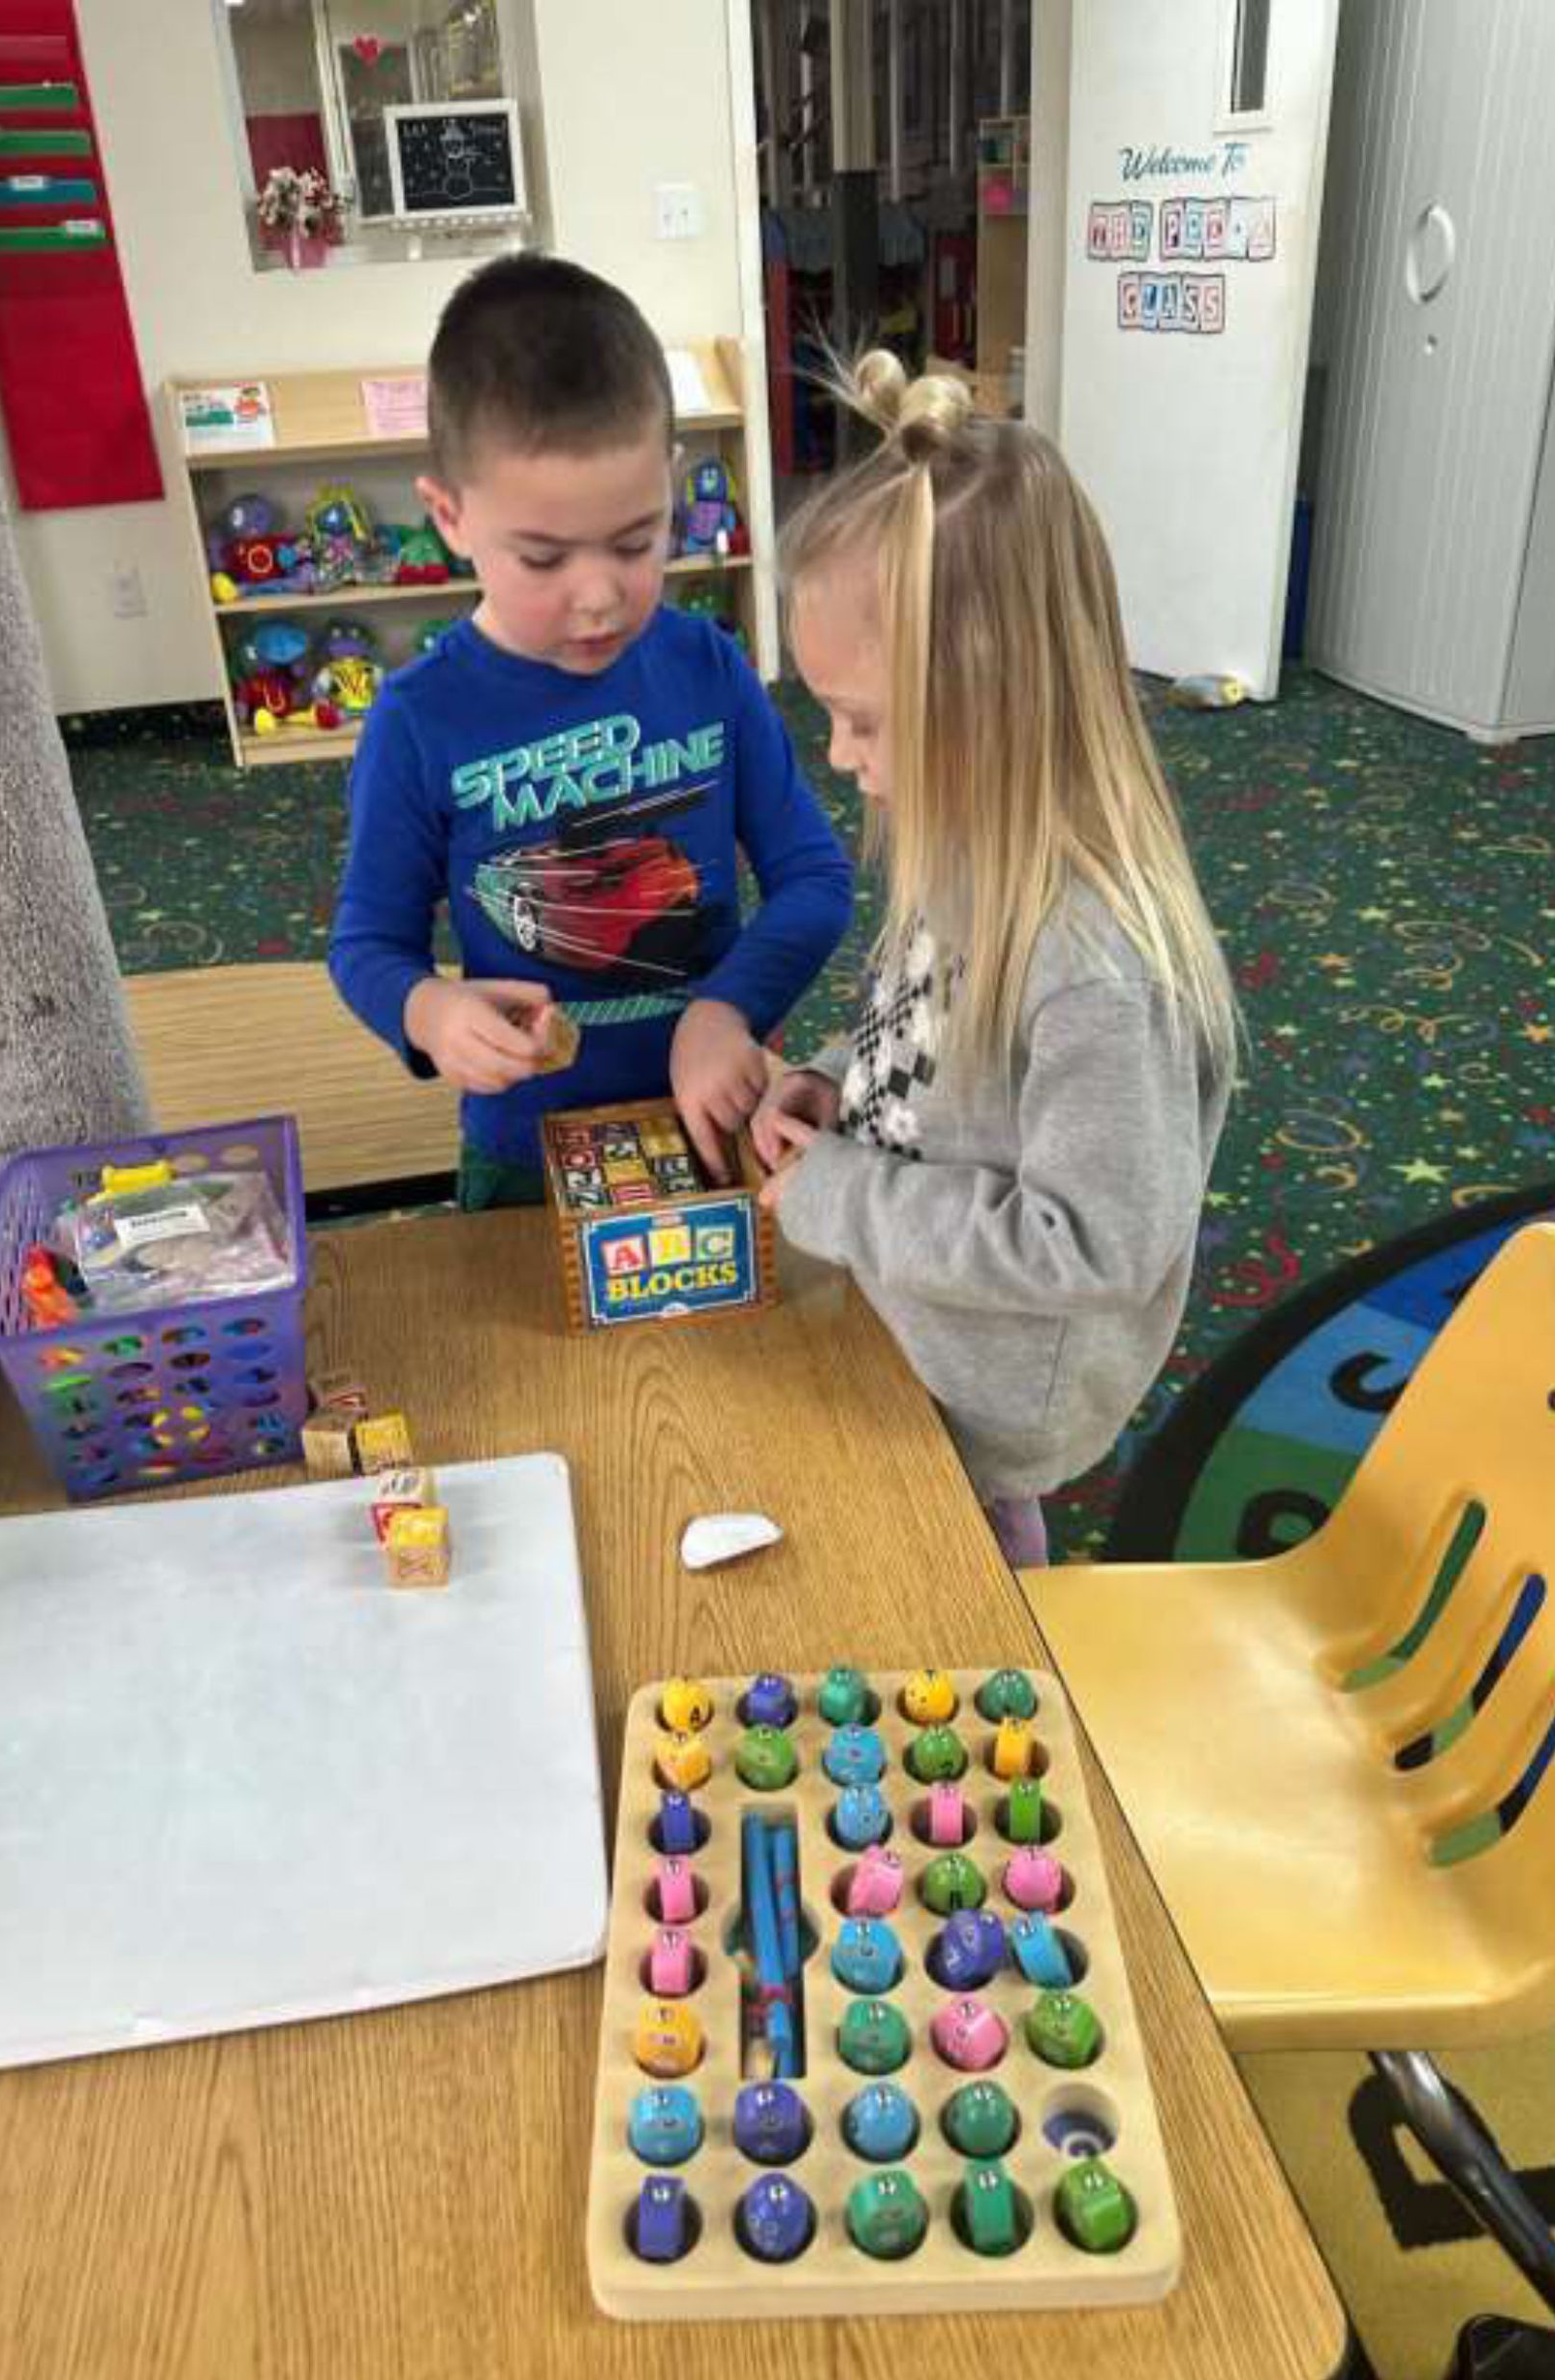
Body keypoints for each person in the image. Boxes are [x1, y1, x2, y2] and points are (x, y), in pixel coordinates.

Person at [753, 352, 1236, 1568]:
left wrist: (841, 1195)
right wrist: (837, 1086)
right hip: (911, 1350)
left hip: (987, 1419)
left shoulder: (1095, 966)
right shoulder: (965, 841)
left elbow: (1095, 1243)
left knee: (965, 1666)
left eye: (863, 718)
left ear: (988, 695)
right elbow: (920, 1032)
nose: (837, 752)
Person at [330, 255, 853, 1207]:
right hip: (526, 1152)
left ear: (670, 483)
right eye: (542, 557)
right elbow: (368, 941)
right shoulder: (417, 721)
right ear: (449, 516)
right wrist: (428, 1010)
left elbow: (816, 879)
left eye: (635, 541)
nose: (600, 595)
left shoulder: (707, 667)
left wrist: (725, 1007)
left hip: (716, 1127)